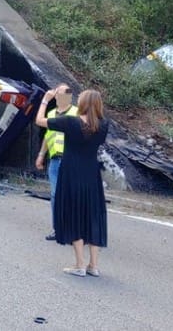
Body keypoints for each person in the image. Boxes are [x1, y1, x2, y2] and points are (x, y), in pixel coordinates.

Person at [35, 87, 109, 278]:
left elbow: (39, 121)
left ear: (82, 103)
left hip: (71, 173)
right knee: (92, 216)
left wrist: (45, 100)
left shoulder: (70, 122)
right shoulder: (103, 125)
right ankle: (93, 266)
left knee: (74, 214)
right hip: (92, 175)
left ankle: (80, 264)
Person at [35, 84, 78, 241]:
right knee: (55, 195)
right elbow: (49, 135)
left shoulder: (76, 113)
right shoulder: (52, 113)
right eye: (58, 92)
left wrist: (44, 100)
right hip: (54, 161)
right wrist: (41, 154)